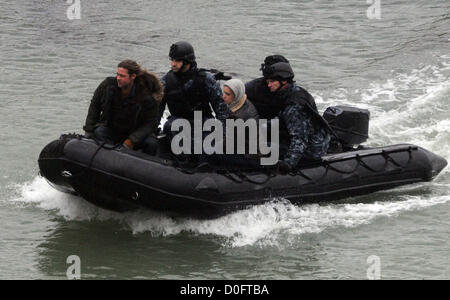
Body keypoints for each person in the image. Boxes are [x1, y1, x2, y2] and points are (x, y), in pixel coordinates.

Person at [258, 61, 332, 174]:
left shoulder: (294, 107)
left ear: (283, 81)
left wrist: (288, 164)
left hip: (311, 150)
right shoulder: (295, 92)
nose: (269, 85)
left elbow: (299, 139)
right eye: (268, 82)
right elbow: (283, 121)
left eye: (272, 82)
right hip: (315, 141)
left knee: (258, 146)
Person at [83, 59, 163, 155]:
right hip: (113, 129)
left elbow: (151, 123)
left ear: (132, 77)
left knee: (151, 143)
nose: (118, 78)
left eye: (122, 76)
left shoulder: (146, 96)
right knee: (99, 132)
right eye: (117, 75)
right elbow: (95, 105)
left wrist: (132, 140)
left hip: (134, 133)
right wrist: (88, 130)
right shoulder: (108, 86)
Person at [158, 41, 231, 136]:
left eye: (177, 61)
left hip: (203, 124)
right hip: (178, 124)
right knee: (169, 126)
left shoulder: (206, 79)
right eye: (172, 60)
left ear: (187, 61)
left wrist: (223, 134)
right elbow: (158, 109)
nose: (173, 64)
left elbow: (221, 109)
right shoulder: (166, 81)